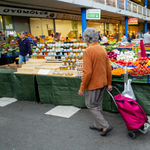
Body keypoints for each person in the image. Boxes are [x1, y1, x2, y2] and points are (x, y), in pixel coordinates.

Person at [78, 28, 113, 136]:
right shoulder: (102, 49)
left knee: (91, 105)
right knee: (97, 105)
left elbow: (87, 72)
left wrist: (82, 87)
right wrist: (109, 83)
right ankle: (98, 125)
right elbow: (108, 68)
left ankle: (105, 125)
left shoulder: (88, 51)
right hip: (102, 82)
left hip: (93, 84)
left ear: (87, 39)